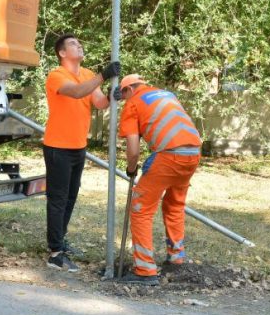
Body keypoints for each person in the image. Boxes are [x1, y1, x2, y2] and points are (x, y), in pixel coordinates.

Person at [42, 34, 120, 272]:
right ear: (62, 53)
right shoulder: (57, 76)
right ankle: (55, 253)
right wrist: (103, 76)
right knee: (57, 199)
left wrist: (113, 95)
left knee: (70, 198)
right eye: (74, 44)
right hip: (58, 146)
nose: (80, 45)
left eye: (80, 42)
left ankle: (60, 241)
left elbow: (99, 103)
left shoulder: (87, 74)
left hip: (78, 146)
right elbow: (76, 92)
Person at [117, 74, 201, 285]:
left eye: (123, 94)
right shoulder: (166, 95)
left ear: (129, 89)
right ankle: (176, 257)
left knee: (140, 207)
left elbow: (133, 149)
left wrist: (131, 168)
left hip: (169, 154)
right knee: (174, 205)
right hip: (193, 152)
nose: (124, 99)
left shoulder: (133, 102)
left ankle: (144, 269)